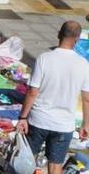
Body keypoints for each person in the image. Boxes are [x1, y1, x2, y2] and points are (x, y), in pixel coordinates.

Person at [16, 21, 89, 174]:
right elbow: (86, 98)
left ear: (58, 34)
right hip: (63, 125)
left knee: (29, 159)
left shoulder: (44, 58)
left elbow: (32, 91)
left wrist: (23, 117)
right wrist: (85, 125)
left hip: (39, 120)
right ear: (77, 39)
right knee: (56, 165)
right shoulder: (83, 64)